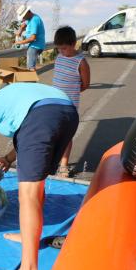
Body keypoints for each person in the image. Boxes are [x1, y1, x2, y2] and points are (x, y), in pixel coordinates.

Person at [0, 80, 79, 270]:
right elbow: (30, 133)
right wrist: (9, 159)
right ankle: (28, 235)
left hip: (41, 117)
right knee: (36, 186)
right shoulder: (13, 98)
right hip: (67, 113)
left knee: (27, 194)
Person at [52, 26, 91, 177]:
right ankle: (51, 160)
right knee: (53, 132)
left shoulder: (81, 62)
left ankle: (63, 165)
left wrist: (72, 92)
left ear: (74, 44)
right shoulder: (59, 58)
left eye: (64, 48)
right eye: (59, 49)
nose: (61, 51)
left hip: (69, 105)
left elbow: (86, 84)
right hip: (54, 103)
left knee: (66, 135)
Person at [14, 5, 46, 71]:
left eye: (23, 16)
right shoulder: (30, 18)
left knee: (30, 68)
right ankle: (32, 79)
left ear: (27, 12)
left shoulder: (34, 20)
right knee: (30, 66)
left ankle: (32, 80)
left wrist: (20, 42)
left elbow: (32, 38)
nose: (23, 18)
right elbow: (24, 25)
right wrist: (20, 31)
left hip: (35, 46)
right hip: (36, 45)